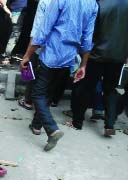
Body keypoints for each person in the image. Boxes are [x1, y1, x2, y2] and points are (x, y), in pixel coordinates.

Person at [20, 0, 98, 151]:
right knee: (48, 92)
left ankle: (51, 129)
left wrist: (27, 55)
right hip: (69, 57)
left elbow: (43, 30)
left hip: (51, 54)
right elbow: (88, 38)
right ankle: (36, 125)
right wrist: (83, 65)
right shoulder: (92, 4)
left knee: (37, 94)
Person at [67, 0, 128, 137]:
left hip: (96, 54)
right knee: (110, 89)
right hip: (118, 55)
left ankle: (77, 122)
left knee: (85, 87)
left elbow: (90, 32)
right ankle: (109, 124)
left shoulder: (99, 5)